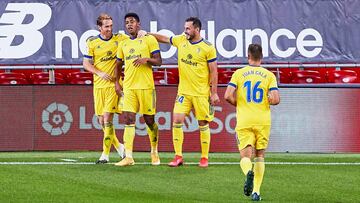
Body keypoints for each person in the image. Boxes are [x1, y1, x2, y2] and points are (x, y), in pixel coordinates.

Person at [144, 17, 220, 168]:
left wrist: (214, 93)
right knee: (176, 121)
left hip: (201, 93)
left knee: (203, 123)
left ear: (197, 30)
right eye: (185, 28)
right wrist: (147, 33)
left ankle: (204, 158)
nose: (185, 31)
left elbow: (214, 71)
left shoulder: (208, 47)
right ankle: (178, 156)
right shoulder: (181, 40)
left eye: (188, 28)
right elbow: (164, 38)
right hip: (183, 93)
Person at [224, 44, 280, 201]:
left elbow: (227, 95)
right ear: (261, 57)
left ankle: (249, 171)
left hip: (245, 119)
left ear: (248, 56)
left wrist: (240, 104)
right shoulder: (269, 75)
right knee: (260, 155)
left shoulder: (239, 73)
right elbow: (275, 99)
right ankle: (256, 192)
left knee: (245, 156)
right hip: (263, 120)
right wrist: (269, 100)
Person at [114, 13, 162, 167]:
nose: (129, 25)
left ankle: (154, 150)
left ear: (138, 24)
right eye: (127, 22)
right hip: (129, 87)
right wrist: (117, 82)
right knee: (128, 120)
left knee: (149, 121)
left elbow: (159, 61)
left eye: (132, 22)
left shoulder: (149, 39)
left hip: (146, 87)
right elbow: (118, 64)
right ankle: (128, 157)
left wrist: (146, 59)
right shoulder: (123, 43)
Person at [83, 13, 128, 164]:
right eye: (106, 26)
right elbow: (86, 64)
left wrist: (142, 33)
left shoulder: (120, 39)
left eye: (111, 26)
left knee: (108, 118)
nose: (109, 29)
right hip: (98, 86)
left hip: (113, 86)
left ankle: (105, 155)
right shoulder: (93, 42)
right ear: (99, 27)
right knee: (102, 121)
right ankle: (120, 147)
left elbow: (135, 40)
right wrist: (99, 72)